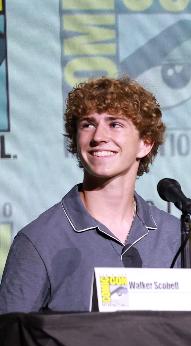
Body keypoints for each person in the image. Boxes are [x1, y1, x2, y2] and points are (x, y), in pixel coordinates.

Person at [0, 76, 181, 313]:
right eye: (88, 124)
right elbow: (11, 342)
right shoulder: (39, 240)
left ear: (145, 143)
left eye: (115, 124)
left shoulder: (172, 234)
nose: (98, 137)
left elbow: (189, 336)